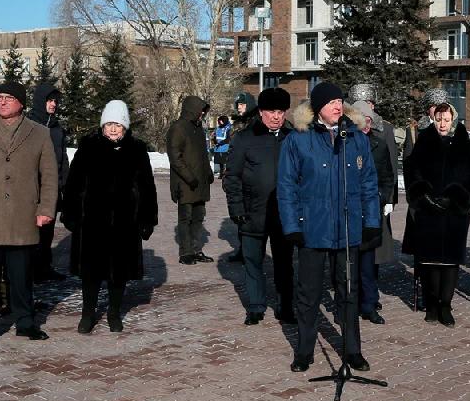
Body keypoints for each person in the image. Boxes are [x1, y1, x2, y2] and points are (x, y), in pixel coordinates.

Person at [278, 82, 380, 373]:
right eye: (331, 102)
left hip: (347, 229)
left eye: (340, 100)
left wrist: (371, 221)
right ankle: (304, 351)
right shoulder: (299, 139)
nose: (337, 106)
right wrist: (292, 226)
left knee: (348, 290)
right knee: (308, 293)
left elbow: (369, 183)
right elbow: (287, 187)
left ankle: (352, 351)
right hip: (312, 228)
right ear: (318, 107)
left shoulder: (355, 137)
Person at [0, 82, 57, 348]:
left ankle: (26, 323)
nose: (2, 102)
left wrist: (46, 210)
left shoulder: (39, 133)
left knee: (22, 277)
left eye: (9, 98)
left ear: (22, 103)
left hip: (23, 218)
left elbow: (49, 176)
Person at [62, 101, 158, 333]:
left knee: (119, 273)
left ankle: (114, 313)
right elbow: (73, 183)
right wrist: (71, 213)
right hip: (92, 222)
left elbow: (147, 187)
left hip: (126, 223)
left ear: (125, 127)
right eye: (109, 124)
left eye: (118, 125)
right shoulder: (88, 147)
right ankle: (88, 314)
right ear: (103, 126)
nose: (113, 129)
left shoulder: (136, 150)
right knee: (91, 273)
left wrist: (147, 219)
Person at [223, 87, 296, 326]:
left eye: (281, 112)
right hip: (252, 213)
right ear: (261, 112)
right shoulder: (245, 138)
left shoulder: (292, 137)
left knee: (284, 264)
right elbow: (231, 176)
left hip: (284, 215)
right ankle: (255, 306)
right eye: (271, 111)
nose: (277, 116)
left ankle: (285, 306)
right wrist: (236, 209)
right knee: (252, 261)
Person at [404, 103, 470, 327]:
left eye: (446, 119)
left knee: (450, 261)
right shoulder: (424, 140)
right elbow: (413, 171)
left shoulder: (464, 142)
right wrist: (423, 195)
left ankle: (446, 305)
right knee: (430, 261)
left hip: (454, 211)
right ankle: (432, 303)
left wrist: (454, 197)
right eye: (438, 119)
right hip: (428, 210)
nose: (442, 124)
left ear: (453, 119)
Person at [351, 100, 394, 325]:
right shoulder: (345, 143)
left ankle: (369, 304)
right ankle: (349, 305)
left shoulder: (378, 142)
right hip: (350, 209)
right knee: (349, 263)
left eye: (369, 120)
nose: (366, 124)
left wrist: (385, 198)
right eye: (362, 120)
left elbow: (388, 175)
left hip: (371, 209)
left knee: (368, 262)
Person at [348, 83, 398, 270]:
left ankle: (371, 287)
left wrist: (390, 199)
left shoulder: (384, 129)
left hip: (377, 195)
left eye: (368, 102)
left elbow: (391, 165)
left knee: (375, 246)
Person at [27, 83, 69, 283]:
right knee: (31, 232)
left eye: (55, 101)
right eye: (50, 100)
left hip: (52, 190)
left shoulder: (57, 129)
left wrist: (65, 186)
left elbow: (63, 160)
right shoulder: (28, 126)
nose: (53, 104)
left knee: (47, 231)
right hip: (31, 190)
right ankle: (31, 269)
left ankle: (44, 267)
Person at [167, 96, 215, 265]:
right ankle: (186, 253)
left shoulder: (198, 128)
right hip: (185, 183)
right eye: (200, 110)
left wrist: (208, 172)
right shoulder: (178, 128)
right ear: (192, 110)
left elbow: (203, 155)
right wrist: (190, 178)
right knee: (185, 218)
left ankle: (195, 250)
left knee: (199, 216)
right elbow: (175, 158)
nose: (202, 114)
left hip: (200, 182)